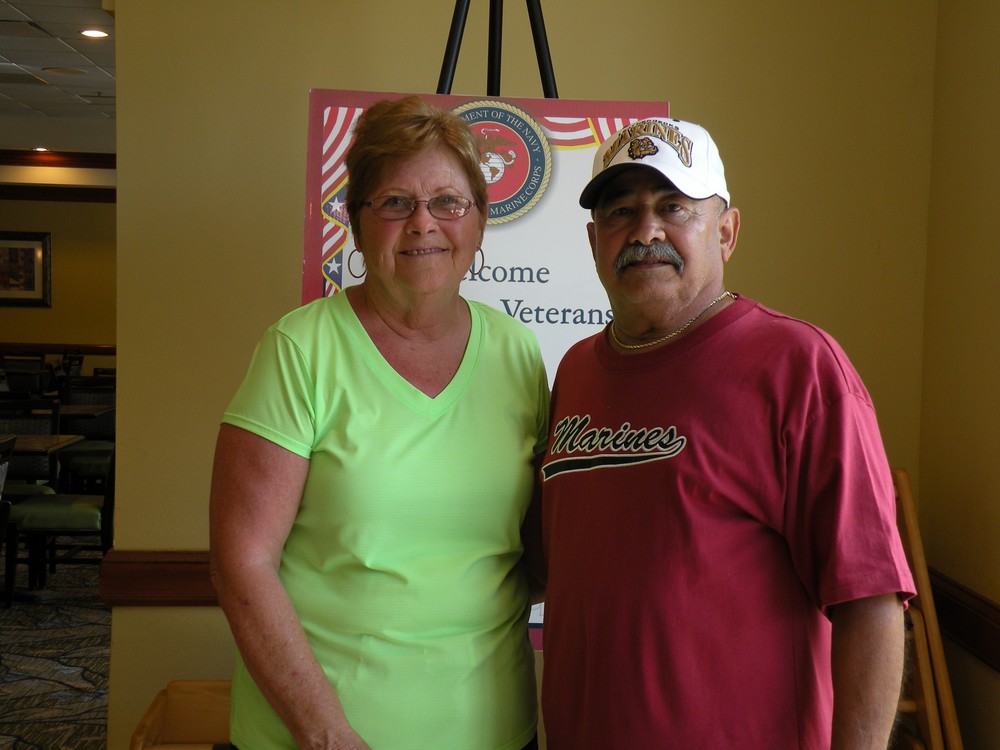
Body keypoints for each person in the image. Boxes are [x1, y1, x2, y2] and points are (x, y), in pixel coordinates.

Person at [538, 117, 916, 749]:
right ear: (593, 239)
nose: (645, 231)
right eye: (621, 211)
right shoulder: (576, 370)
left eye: (673, 207)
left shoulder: (798, 365)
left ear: (726, 231)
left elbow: (870, 598)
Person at [210, 96, 549, 750]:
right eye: (395, 202)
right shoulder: (299, 350)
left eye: (448, 202)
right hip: (322, 737)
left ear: (479, 222)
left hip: (495, 730)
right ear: (357, 224)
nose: (424, 223)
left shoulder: (516, 352)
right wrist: (325, 732)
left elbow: (529, 550)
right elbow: (241, 563)